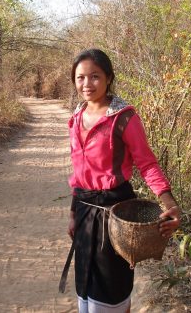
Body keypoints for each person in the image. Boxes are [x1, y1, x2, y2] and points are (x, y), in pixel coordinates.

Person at [67, 48, 181, 313]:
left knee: (111, 291)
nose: (87, 84)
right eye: (80, 77)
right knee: (85, 286)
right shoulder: (76, 117)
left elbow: (147, 163)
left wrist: (169, 202)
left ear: (108, 78)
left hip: (115, 214)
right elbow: (78, 172)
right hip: (85, 213)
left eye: (95, 76)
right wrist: (73, 213)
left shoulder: (124, 118)